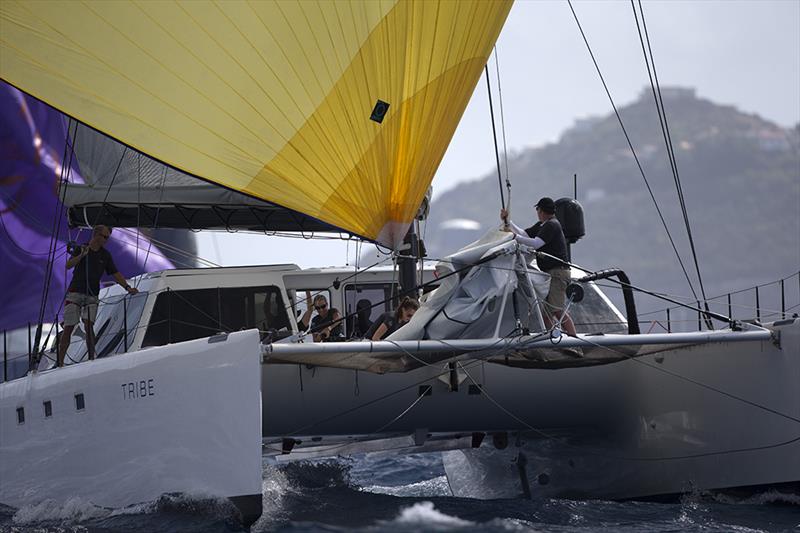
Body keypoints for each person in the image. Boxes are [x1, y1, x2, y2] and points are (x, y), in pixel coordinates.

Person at [57, 225, 138, 367]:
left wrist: (127, 287)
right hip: (75, 293)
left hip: (92, 295)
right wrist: (82, 255)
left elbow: (115, 274)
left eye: (108, 238)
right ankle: (60, 362)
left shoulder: (105, 255)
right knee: (69, 326)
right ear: (96, 235)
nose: (106, 240)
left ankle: (91, 359)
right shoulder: (82, 248)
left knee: (89, 326)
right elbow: (68, 265)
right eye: (105, 237)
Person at [501, 197, 577, 337]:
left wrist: (513, 237)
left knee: (556, 309)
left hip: (558, 272)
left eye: (537, 209)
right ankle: (553, 339)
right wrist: (508, 221)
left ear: (541, 211)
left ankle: (574, 341)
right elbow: (525, 234)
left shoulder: (552, 225)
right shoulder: (543, 225)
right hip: (550, 273)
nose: (537, 212)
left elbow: (535, 244)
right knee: (546, 313)